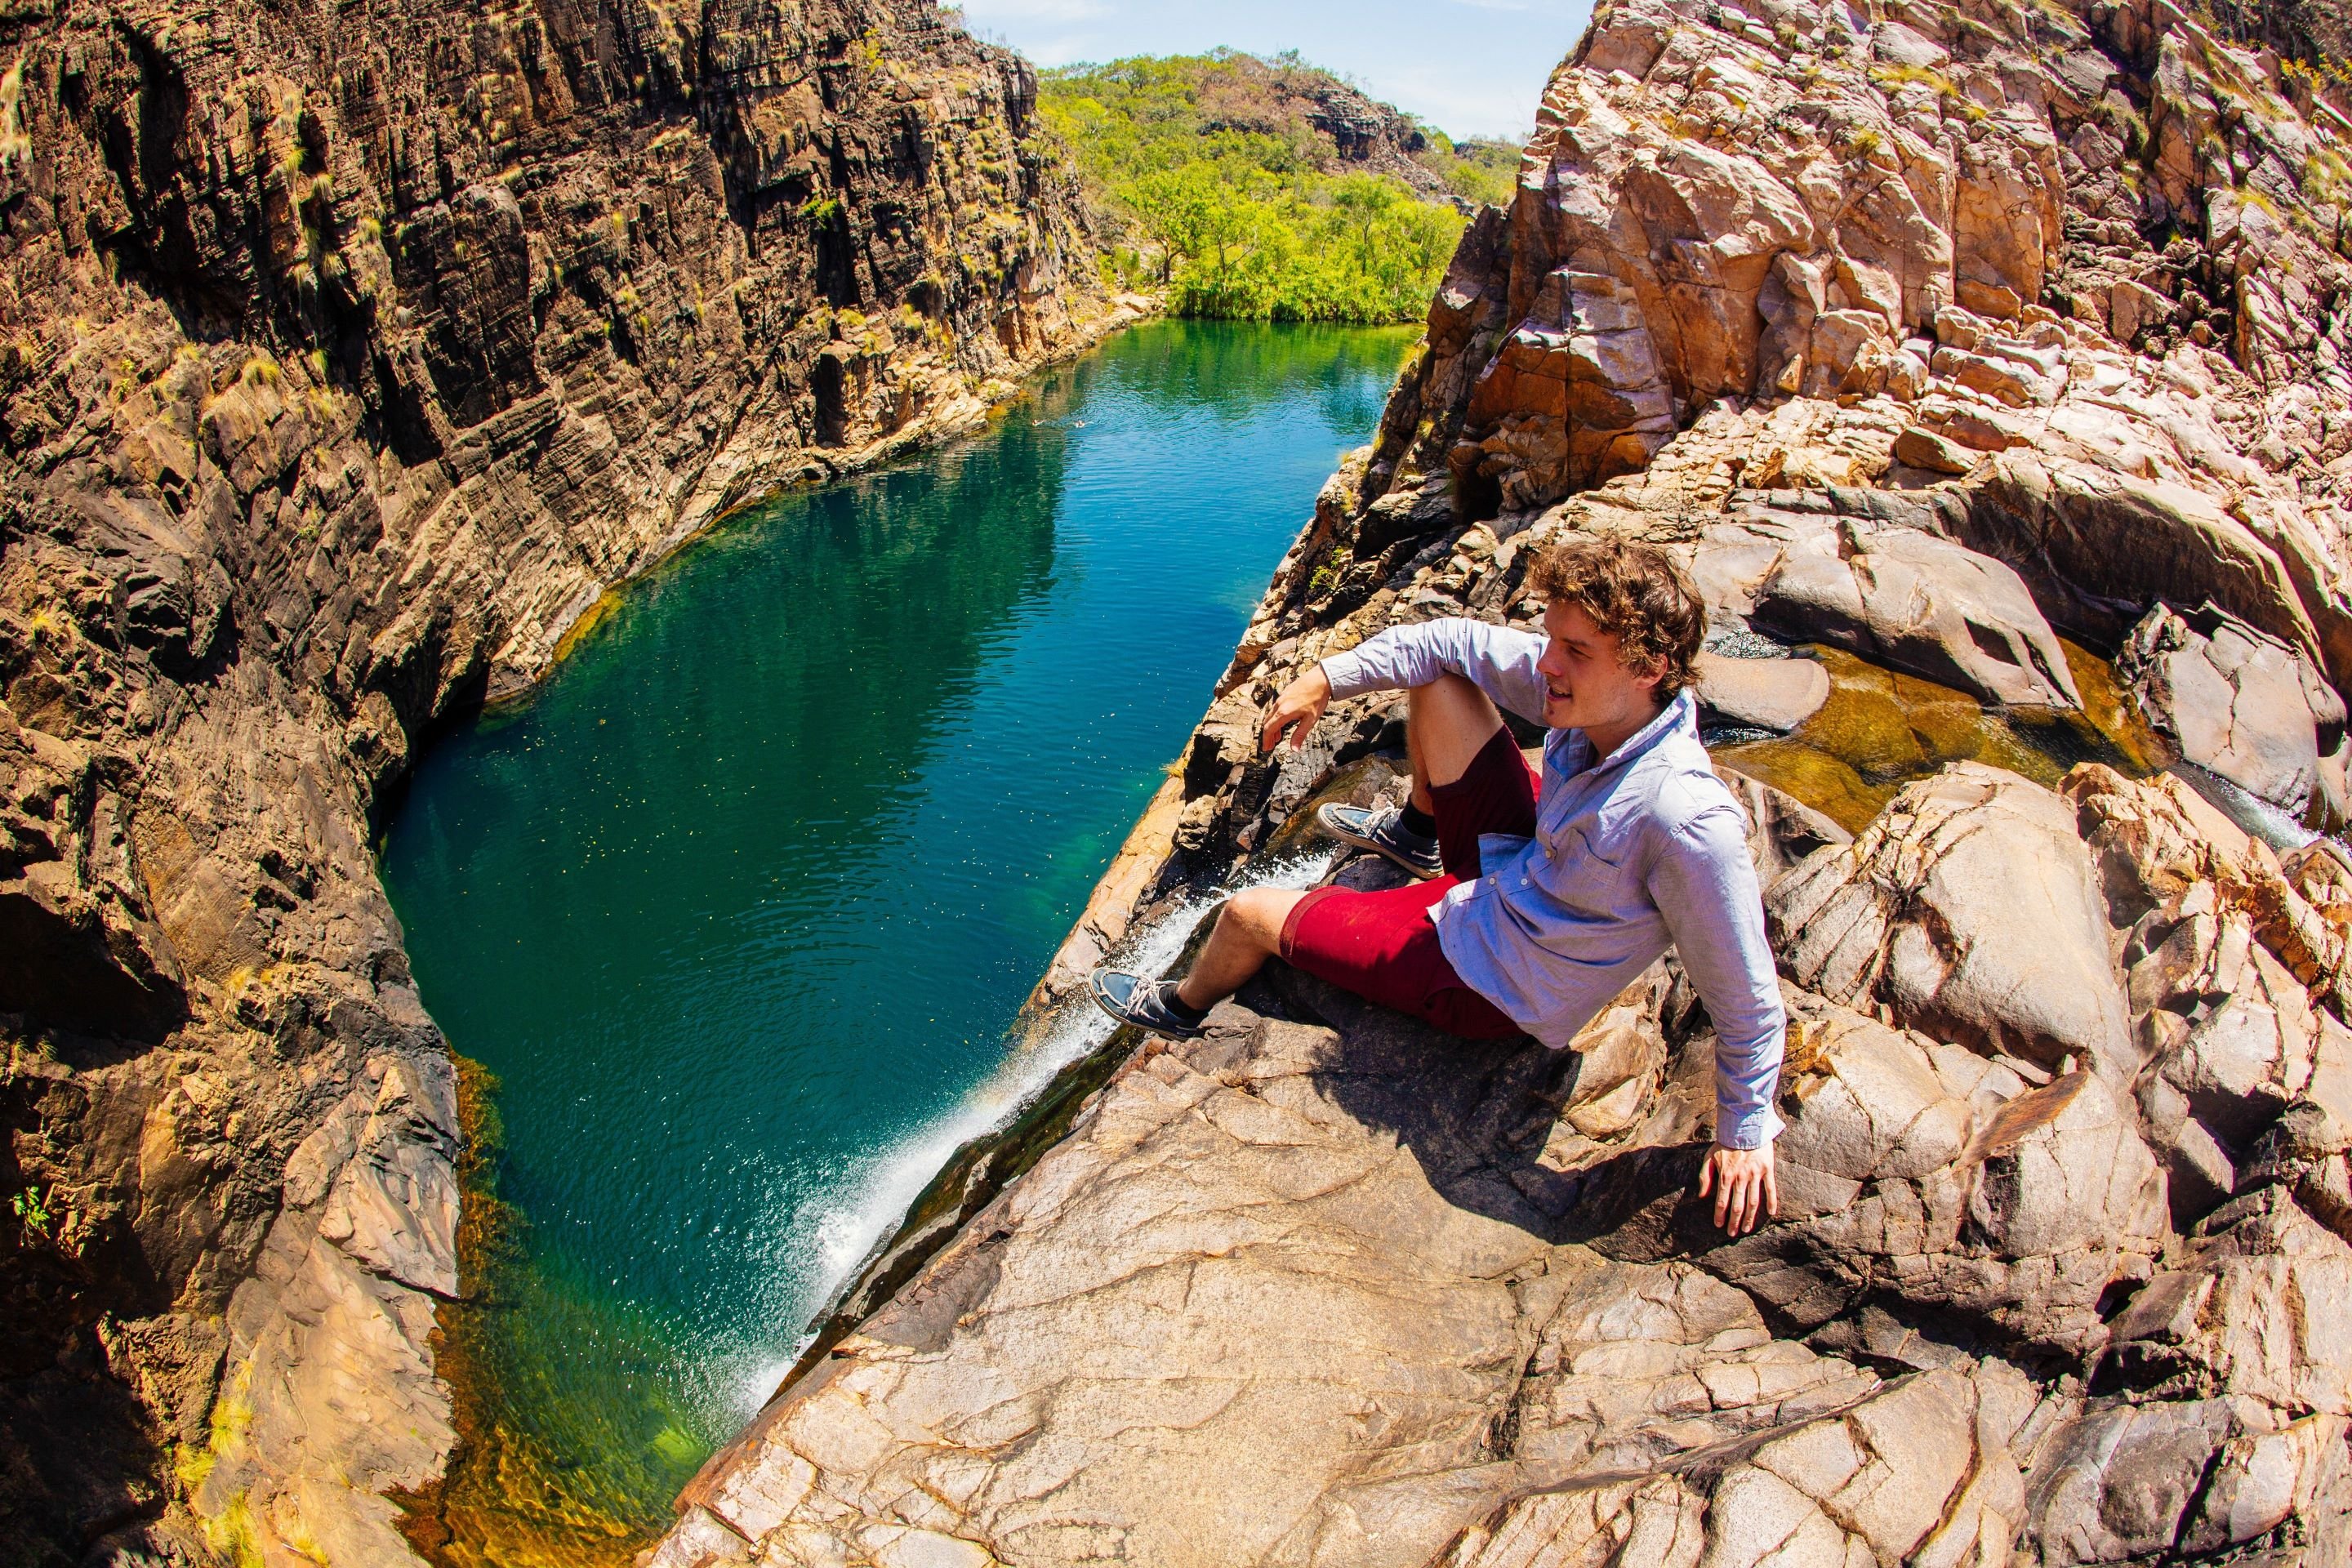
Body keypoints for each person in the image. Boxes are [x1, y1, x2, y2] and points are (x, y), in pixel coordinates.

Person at [1088, 535, 1784, 1236]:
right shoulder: (1599, 709)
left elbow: (1746, 994)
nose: (1548, 666)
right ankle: (1416, 834)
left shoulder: (1684, 820)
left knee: (1245, 915)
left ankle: (1180, 1007)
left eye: (1577, 651)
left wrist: (1744, 1132)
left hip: (1494, 979)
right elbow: (1447, 642)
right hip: (1521, 874)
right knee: (1440, 680)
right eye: (1552, 640)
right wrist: (1325, 679)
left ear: (1651, 667)